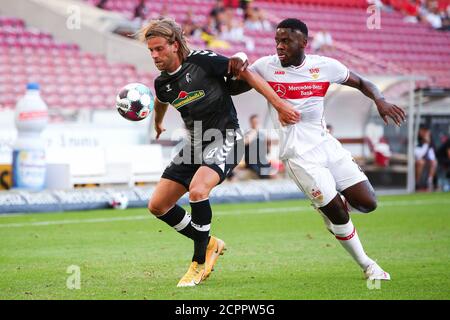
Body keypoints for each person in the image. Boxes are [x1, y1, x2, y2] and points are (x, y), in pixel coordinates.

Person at [232, 18, 406, 281]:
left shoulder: (325, 67)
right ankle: (369, 265)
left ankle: (328, 205)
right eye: (277, 40)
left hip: (327, 145)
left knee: (368, 204)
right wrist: (239, 59)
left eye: (286, 41)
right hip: (298, 156)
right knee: (337, 212)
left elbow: (362, 82)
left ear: (303, 42)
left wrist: (379, 100)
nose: (280, 46)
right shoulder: (265, 66)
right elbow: (234, 86)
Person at [139, 18, 299, 287]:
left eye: (159, 49)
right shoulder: (161, 84)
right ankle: (211, 242)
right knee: (157, 205)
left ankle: (199, 262)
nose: (155, 55)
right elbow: (161, 100)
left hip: (226, 137)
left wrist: (279, 104)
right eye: (151, 51)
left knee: (198, 191)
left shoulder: (202, 61)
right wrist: (157, 122)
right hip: (195, 143)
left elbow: (244, 71)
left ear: (175, 45)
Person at [244, 114, 274, 179]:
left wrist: (268, 144)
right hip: (252, 161)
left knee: (272, 172)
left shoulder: (262, 134)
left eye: (257, 122)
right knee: (263, 173)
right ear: (251, 123)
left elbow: (267, 150)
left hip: (262, 160)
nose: (256, 124)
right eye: (254, 122)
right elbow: (246, 142)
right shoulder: (248, 132)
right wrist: (256, 131)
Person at [415, 125, 437, 191]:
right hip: (415, 160)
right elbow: (418, 155)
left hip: (426, 161)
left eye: (426, 131)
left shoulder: (430, 141)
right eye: (423, 131)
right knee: (421, 162)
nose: (425, 133)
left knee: (434, 162)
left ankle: (429, 182)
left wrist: (428, 143)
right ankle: (417, 183)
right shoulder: (415, 139)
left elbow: (432, 156)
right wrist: (426, 144)